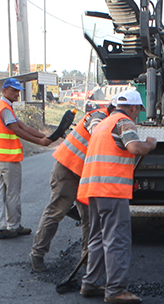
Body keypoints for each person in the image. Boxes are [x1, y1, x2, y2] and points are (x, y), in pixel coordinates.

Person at [75, 89, 157, 304]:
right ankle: (116, 289)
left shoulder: (104, 123)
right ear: (133, 107)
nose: (138, 113)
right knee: (117, 239)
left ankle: (90, 283)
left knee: (97, 238)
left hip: (94, 188)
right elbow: (134, 147)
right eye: (138, 109)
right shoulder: (124, 122)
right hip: (111, 190)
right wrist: (150, 144)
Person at [28, 98, 107, 272]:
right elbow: (95, 128)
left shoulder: (113, 121)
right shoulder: (99, 115)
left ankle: (88, 260)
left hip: (86, 174)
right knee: (56, 210)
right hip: (68, 169)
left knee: (89, 216)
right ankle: (37, 253)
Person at [0, 78, 52, 239]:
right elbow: (17, 130)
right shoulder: (5, 109)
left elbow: (23, 126)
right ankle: (13, 225)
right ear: (4, 91)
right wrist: (39, 142)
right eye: (14, 91)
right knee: (12, 193)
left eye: (18, 91)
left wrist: (44, 136)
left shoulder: (0, 107)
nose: (17, 94)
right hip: (8, 158)